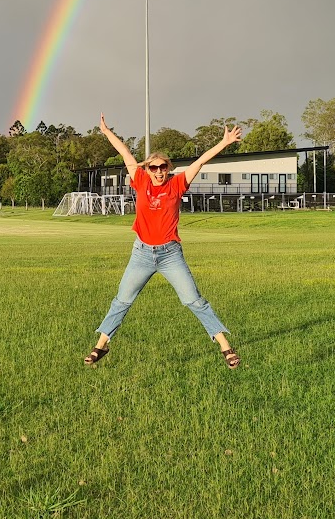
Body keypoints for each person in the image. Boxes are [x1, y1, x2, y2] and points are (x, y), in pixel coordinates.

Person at [84, 115, 242, 368]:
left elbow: (200, 160)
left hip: (170, 254)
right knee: (122, 300)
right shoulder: (141, 180)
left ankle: (226, 347)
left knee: (194, 300)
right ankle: (101, 347)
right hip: (142, 253)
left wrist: (224, 143)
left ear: (169, 168)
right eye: (153, 167)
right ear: (147, 170)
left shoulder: (178, 184)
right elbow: (125, 152)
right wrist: (106, 132)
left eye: (162, 167)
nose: (158, 171)